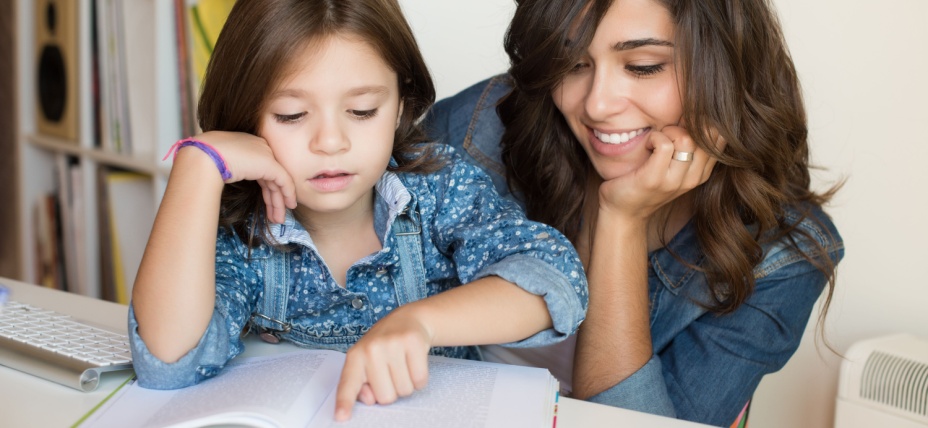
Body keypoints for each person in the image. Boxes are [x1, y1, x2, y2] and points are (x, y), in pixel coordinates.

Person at [128, 0, 587, 422]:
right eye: (291, 115)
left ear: (402, 106)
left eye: (363, 111)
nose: (331, 142)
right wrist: (198, 164)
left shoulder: (439, 185)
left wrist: (420, 322)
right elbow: (167, 362)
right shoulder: (244, 234)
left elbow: (555, 280)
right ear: (244, 119)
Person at [424, 0, 845, 425]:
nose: (597, 105)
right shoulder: (481, 128)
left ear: (725, 69)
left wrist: (621, 221)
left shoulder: (782, 258)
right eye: (572, 64)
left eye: (643, 66)